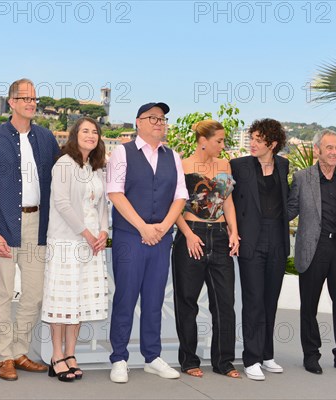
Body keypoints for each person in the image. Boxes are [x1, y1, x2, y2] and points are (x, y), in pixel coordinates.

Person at [0, 78, 60, 381]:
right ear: (11, 102)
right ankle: (3, 357)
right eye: (24, 98)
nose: (31, 103)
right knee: (1, 294)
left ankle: (19, 351)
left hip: (38, 225)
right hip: (4, 225)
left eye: (34, 99)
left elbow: (59, 181)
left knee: (35, 294)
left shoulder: (47, 138)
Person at [107, 102, 187, 384]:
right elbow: (115, 193)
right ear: (138, 122)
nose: (159, 122)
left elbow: (180, 196)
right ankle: (119, 358)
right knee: (126, 297)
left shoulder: (173, 156)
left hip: (161, 238)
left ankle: (152, 357)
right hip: (130, 237)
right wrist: (143, 227)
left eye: (163, 118)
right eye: (152, 118)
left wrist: (163, 227)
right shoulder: (122, 152)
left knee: (154, 299)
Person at [288, 130, 336, 376]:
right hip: (313, 247)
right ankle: (311, 355)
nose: (334, 152)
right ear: (317, 150)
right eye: (329, 147)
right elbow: (289, 210)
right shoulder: (302, 178)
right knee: (309, 306)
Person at [41, 117, 109, 382]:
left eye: (95, 132)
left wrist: (104, 232)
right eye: (85, 131)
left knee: (77, 301)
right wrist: (87, 234)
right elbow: (61, 203)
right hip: (67, 241)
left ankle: (71, 354)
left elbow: (102, 206)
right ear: (74, 135)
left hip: (91, 243)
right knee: (62, 300)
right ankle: (56, 355)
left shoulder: (96, 168)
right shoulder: (64, 165)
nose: (91, 135)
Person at [171, 119, 240, 379]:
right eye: (218, 141)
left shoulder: (225, 165)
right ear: (203, 141)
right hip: (192, 236)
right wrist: (187, 234)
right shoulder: (182, 165)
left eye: (223, 141)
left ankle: (224, 361)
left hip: (221, 237)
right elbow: (174, 205)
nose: (223, 145)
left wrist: (234, 231)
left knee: (224, 303)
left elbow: (228, 202)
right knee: (187, 302)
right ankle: (189, 360)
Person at [230, 119, 289, 381]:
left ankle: (267, 355)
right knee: (253, 299)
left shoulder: (283, 165)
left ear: (272, 144)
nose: (252, 143)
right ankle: (251, 358)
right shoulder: (239, 166)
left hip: (277, 237)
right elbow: (227, 198)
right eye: (251, 138)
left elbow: (287, 202)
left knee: (270, 299)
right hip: (250, 239)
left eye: (258, 139)